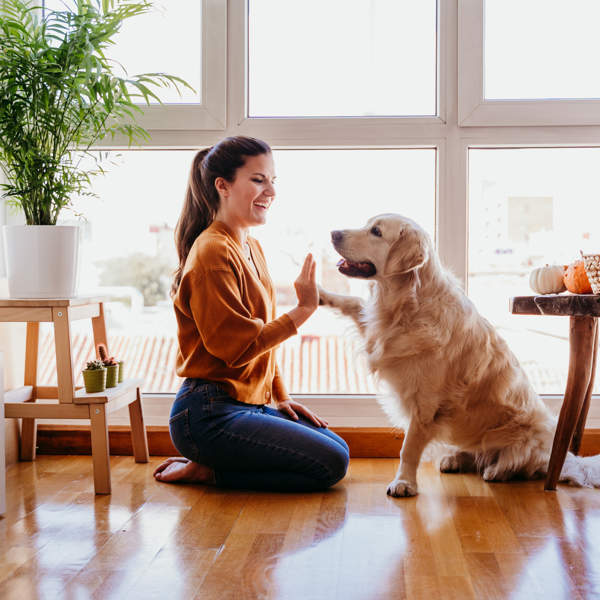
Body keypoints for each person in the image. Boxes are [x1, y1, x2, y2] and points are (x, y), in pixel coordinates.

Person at [153, 136, 349, 491]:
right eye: (259, 180)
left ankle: (213, 464)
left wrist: (280, 395)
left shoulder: (249, 245)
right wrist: (304, 309)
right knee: (331, 464)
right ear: (223, 186)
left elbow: (261, 343)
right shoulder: (212, 252)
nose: (270, 191)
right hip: (207, 413)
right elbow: (237, 348)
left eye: (273, 181)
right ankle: (208, 470)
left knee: (338, 448)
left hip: (247, 403)